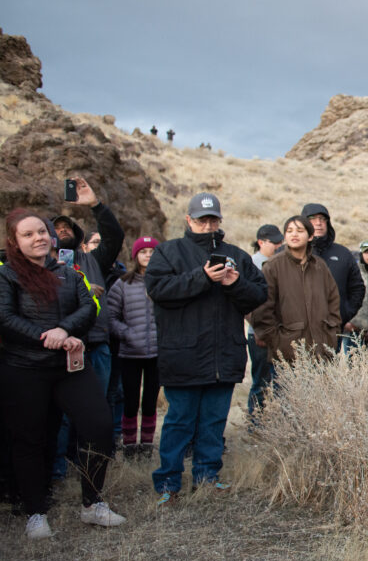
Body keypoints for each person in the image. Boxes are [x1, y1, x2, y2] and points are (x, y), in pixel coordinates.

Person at [0, 209, 127, 538]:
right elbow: (5, 318)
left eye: (41, 232)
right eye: (28, 234)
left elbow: (88, 308)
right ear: (14, 242)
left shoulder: (70, 274)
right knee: (30, 439)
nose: (38, 237)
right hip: (24, 369)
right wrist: (49, 337)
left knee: (99, 426)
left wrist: (63, 329)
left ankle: (92, 504)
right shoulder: (6, 275)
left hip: (70, 368)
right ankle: (35, 512)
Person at [145, 192, 267, 506]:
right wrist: (202, 277)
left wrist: (234, 284)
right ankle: (168, 484)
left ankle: (207, 478)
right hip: (183, 354)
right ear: (189, 220)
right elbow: (158, 289)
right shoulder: (168, 253)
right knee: (179, 421)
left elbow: (258, 296)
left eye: (213, 219)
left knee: (214, 422)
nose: (208, 225)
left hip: (223, 355)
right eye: (202, 220)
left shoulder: (236, 255)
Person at [51, 176, 125, 462]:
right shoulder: (44, 264)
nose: (62, 231)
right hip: (64, 347)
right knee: (62, 413)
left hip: (97, 344)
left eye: (66, 227)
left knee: (98, 408)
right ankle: (59, 468)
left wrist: (95, 205)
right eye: (56, 229)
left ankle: (92, 464)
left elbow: (114, 236)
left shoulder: (94, 260)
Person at [252, 216, 342, 364]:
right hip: (287, 355)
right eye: (289, 231)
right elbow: (262, 310)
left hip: (321, 352)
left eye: (300, 231)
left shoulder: (320, 266)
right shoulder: (272, 266)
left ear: (310, 236)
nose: (294, 234)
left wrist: (331, 334)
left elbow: (333, 302)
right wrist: (278, 343)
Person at [106, 236, 160, 458]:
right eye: (143, 251)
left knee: (150, 401)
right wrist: (127, 334)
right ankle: (129, 446)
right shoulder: (123, 283)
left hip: (157, 353)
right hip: (130, 352)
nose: (148, 255)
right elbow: (110, 316)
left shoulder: (164, 282)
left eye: (152, 251)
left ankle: (146, 446)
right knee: (130, 401)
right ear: (135, 256)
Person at [300, 203, 365, 349]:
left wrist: (344, 314)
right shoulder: (292, 253)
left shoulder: (342, 253)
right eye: (313, 218)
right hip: (297, 331)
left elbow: (357, 288)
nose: (318, 223)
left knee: (327, 370)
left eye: (323, 219)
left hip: (331, 329)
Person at [246, 224, 282, 415]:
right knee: (260, 382)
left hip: (280, 334)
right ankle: (255, 423)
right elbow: (246, 303)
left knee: (280, 383)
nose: (278, 245)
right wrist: (260, 330)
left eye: (279, 241)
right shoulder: (250, 264)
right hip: (258, 335)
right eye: (274, 242)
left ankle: (275, 425)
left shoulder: (281, 263)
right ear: (261, 242)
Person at [342, 240, 368, 353]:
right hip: (354, 329)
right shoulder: (352, 273)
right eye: (367, 252)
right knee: (353, 365)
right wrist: (347, 322)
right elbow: (343, 297)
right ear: (361, 254)